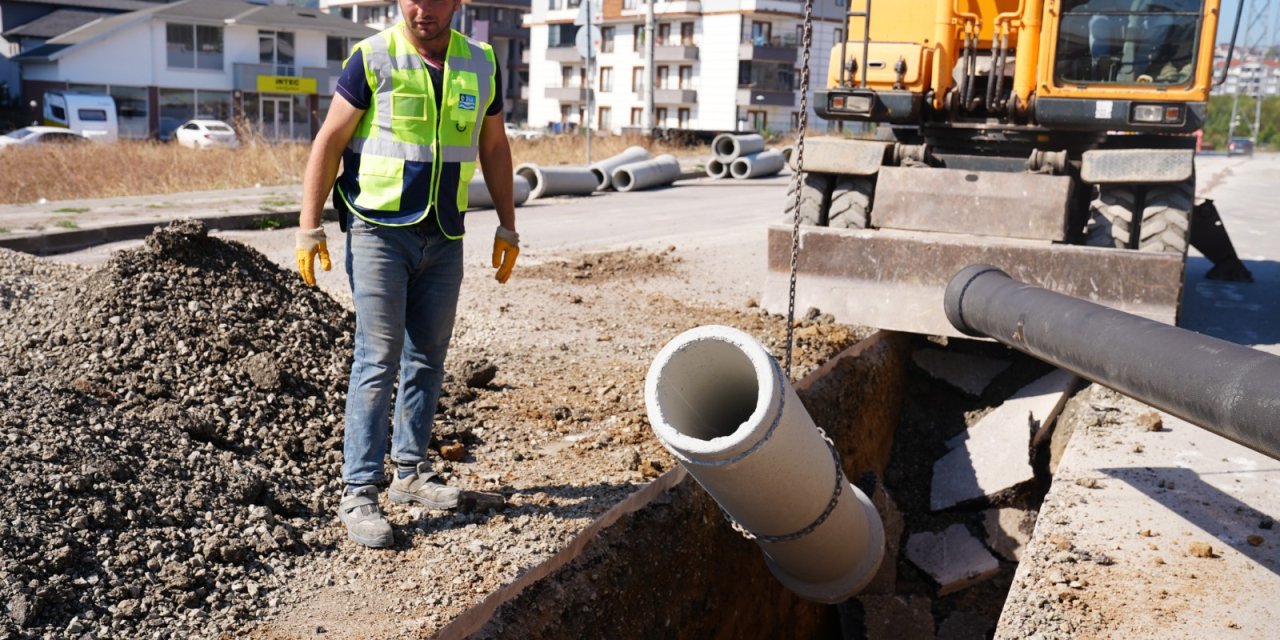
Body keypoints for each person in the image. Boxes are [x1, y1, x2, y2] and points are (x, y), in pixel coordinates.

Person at [295, 0, 519, 548]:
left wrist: (508, 225)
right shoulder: (372, 57)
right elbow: (329, 140)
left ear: (458, 3)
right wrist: (309, 226)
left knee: (429, 356)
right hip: (378, 230)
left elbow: (493, 145)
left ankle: (412, 474)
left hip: (444, 233)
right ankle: (360, 492)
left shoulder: (482, 62)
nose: (423, 8)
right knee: (379, 355)